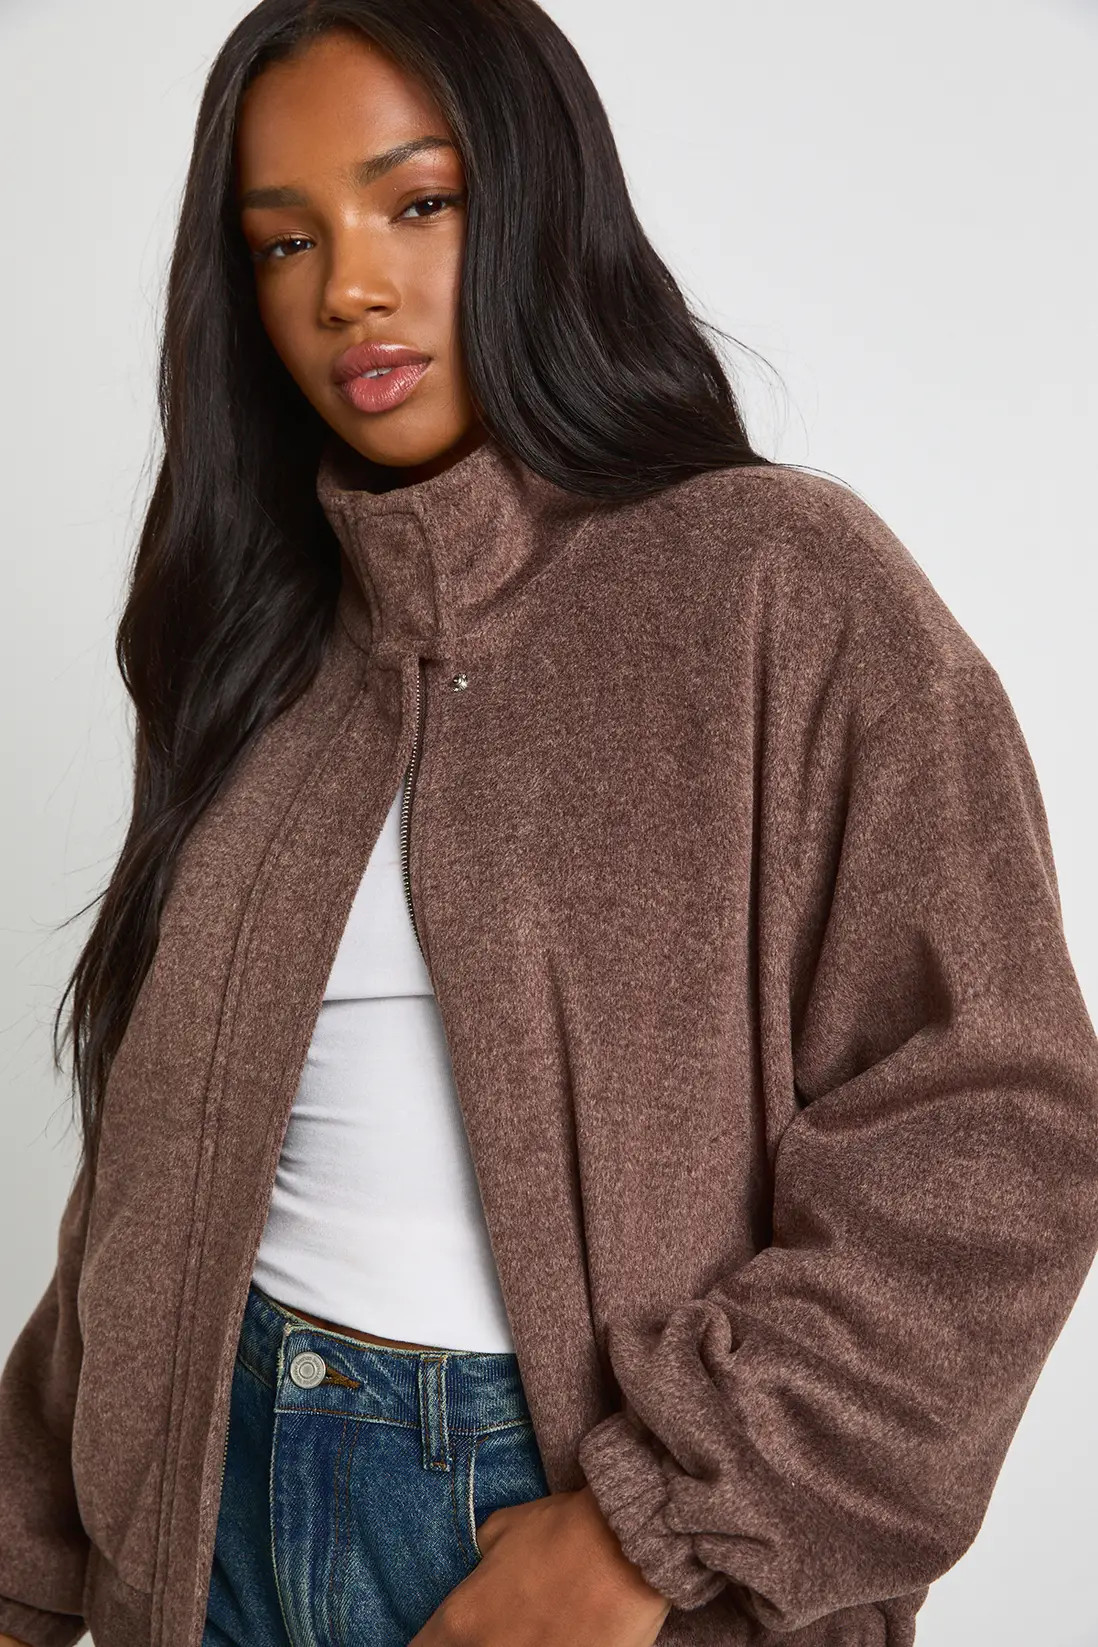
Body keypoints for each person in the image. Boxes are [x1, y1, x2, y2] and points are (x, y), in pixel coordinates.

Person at [2, 1, 1097, 1645]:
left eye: (416, 202)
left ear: (536, 199)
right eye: (283, 239)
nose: (347, 288)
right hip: (207, 1517)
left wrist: (650, 1528)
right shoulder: (258, 648)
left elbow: (994, 1126)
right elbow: (159, 1176)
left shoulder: (778, 586)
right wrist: (24, 1556)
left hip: (553, 1531)